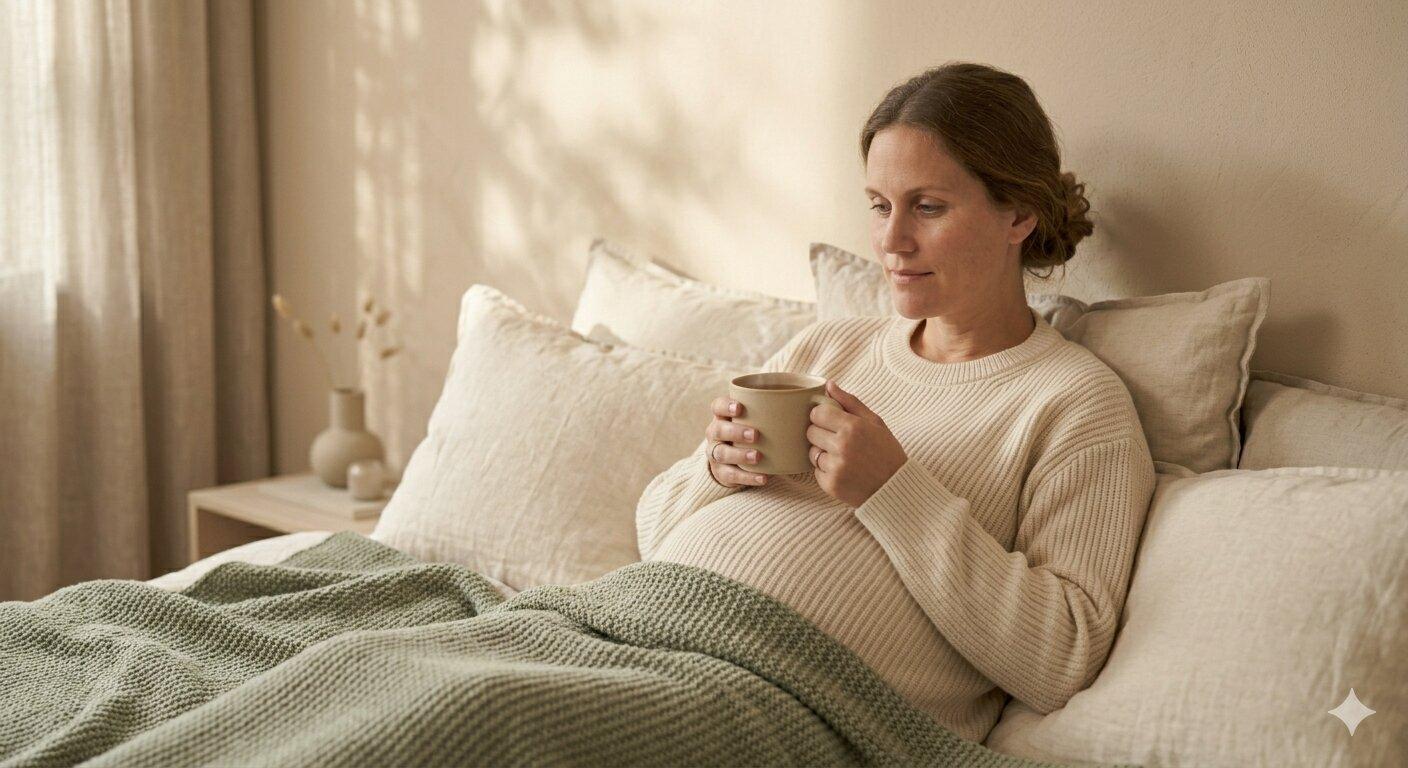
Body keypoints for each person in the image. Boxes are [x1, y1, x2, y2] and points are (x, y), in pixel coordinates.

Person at [635, 61, 1156, 745]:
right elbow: (651, 534)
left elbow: (1061, 656)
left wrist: (893, 490)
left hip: (772, 708)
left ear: (1019, 214)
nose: (890, 240)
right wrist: (713, 468)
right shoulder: (828, 348)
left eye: (928, 207)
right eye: (880, 206)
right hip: (636, 626)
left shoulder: (1073, 403)